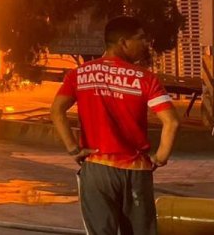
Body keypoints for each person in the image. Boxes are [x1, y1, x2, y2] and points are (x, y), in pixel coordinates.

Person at [51, 16, 181, 235]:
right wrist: (160, 158)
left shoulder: (79, 74)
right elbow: (172, 122)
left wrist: (74, 149)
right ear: (123, 42)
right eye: (140, 38)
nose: (145, 43)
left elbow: (56, 111)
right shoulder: (145, 78)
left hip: (97, 169)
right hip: (135, 170)